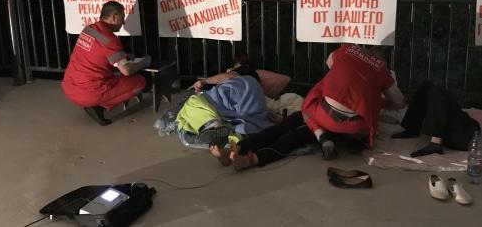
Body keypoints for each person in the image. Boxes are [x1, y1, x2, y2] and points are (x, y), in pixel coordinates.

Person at [231, 44, 405, 170]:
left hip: (322, 114)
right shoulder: (382, 72)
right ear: (383, 62)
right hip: (354, 127)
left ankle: (240, 147)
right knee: (297, 136)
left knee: (289, 125)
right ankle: (252, 159)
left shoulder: (347, 50)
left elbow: (330, 63)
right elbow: (399, 102)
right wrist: (380, 102)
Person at [62, 1, 151, 126]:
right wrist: (144, 62)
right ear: (114, 17)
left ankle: (95, 103)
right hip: (89, 93)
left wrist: (122, 55)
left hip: (69, 87)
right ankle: (99, 107)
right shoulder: (111, 39)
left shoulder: (89, 29)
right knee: (140, 82)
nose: (123, 22)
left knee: (112, 78)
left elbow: (97, 52)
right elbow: (126, 71)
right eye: (122, 17)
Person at [176, 54, 271, 166]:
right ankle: (231, 151)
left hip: (235, 98)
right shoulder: (257, 83)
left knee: (192, 103)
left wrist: (203, 82)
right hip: (254, 110)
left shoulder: (243, 71)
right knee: (237, 130)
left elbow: (228, 76)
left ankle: (212, 123)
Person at [391, 81, 481, 157]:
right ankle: (412, 128)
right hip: (461, 128)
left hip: (464, 137)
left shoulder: (468, 131)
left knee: (435, 93)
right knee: (428, 86)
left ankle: (435, 143)